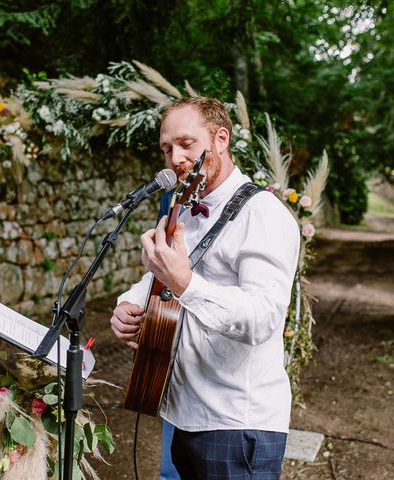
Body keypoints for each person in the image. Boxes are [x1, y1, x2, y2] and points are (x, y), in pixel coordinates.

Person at [110, 97, 300, 479]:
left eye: (186, 143)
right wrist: (128, 303)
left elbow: (262, 318)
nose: (175, 158)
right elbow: (162, 273)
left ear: (221, 139)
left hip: (237, 421)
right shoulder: (186, 207)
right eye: (167, 148)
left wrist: (186, 284)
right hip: (186, 412)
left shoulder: (263, 214)